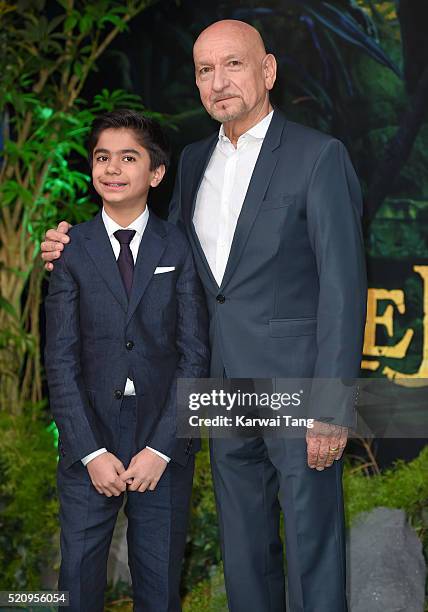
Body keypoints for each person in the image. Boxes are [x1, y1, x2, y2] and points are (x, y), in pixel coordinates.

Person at [42, 20, 367, 612]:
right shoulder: (191, 162)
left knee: (311, 543)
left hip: (295, 389)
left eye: (233, 65)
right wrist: (66, 246)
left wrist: (330, 403)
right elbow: (146, 243)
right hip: (215, 390)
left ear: (267, 71)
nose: (218, 82)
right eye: (203, 70)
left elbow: (344, 287)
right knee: (244, 550)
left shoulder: (319, 157)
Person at [44, 109, 209, 612]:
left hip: (162, 437)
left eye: (128, 158)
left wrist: (162, 448)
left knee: (158, 582)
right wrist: (90, 453)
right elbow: (60, 360)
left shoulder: (179, 246)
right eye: (102, 157)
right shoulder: (70, 251)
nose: (111, 169)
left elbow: (194, 355)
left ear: (156, 174)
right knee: (76, 579)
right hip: (88, 438)